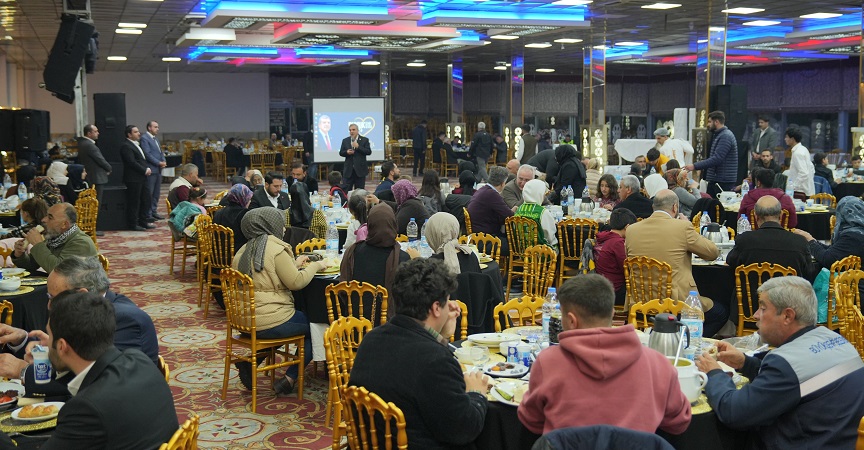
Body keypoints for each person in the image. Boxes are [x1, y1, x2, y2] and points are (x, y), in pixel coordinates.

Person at [695, 276, 864, 449]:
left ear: (787, 316)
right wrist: (745, 363)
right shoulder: (836, 340)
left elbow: (733, 413)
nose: (755, 315)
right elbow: (795, 383)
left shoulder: (787, 363)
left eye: (763, 308)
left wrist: (714, 373)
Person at [518, 274, 691, 435]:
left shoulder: (548, 362)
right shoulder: (658, 364)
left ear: (571, 321)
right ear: (613, 314)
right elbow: (679, 422)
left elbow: (531, 420)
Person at [349, 258, 489, 449]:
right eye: (447, 302)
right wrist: (476, 394)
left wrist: (441, 334)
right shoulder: (436, 360)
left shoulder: (372, 339)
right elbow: (464, 429)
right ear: (436, 308)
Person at [0, 256, 160, 397]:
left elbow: (92, 381)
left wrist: (23, 371)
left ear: (82, 294)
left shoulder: (124, 320)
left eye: (53, 298)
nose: (49, 306)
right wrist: (23, 340)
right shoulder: (90, 313)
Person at [35, 291, 177, 449]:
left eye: (50, 336)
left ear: (62, 346)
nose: (47, 344)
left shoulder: (85, 408)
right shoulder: (139, 359)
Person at [231, 207, 322, 395]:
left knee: (290, 324)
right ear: (269, 225)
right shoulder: (276, 249)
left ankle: (252, 361)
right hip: (269, 320)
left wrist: (294, 264)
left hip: (243, 321)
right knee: (317, 328)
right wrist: (316, 265)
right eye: (280, 224)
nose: (284, 228)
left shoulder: (243, 250)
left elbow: (266, 275)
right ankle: (290, 378)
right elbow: (296, 282)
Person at [625, 190, 726, 337]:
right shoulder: (682, 227)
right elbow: (712, 253)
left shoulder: (632, 230)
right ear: (675, 207)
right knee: (720, 312)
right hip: (675, 302)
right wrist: (690, 226)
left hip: (640, 301)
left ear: (653, 207)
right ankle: (685, 341)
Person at [727, 196, 818, 282]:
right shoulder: (799, 242)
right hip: (788, 293)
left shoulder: (744, 240)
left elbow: (730, 263)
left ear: (756, 216)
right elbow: (809, 272)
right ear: (781, 215)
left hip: (753, 293)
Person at [340, 203, 413, 303]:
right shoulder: (402, 258)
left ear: (369, 225)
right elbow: (407, 298)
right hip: (388, 312)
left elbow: (342, 289)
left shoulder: (352, 251)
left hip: (354, 312)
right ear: (394, 224)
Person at [11, 203, 97, 274]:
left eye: (50, 217)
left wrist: (38, 244)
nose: (43, 219)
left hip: (81, 288)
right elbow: (31, 265)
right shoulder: (54, 238)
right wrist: (19, 254)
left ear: (64, 224)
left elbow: (59, 271)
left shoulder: (81, 243)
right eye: (46, 215)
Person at [794, 196, 864, 269]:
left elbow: (828, 259)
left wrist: (810, 240)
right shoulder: (858, 230)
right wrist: (813, 241)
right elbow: (834, 250)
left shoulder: (852, 235)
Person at [685, 111, 739, 199]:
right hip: (717, 179)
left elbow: (717, 159)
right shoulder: (719, 135)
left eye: (710, 122)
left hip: (722, 181)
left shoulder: (725, 136)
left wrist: (695, 166)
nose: (708, 124)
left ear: (716, 122)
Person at [467, 166, 514, 250]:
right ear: (502, 183)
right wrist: (514, 210)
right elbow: (509, 216)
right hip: (485, 240)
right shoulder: (492, 194)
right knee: (517, 245)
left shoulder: (482, 190)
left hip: (476, 236)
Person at [119, 125, 154, 231]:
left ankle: (143, 221)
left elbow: (141, 160)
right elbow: (131, 162)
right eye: (135, 132)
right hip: (133, 178)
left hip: (142, 177)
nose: (139, 133)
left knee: (146, 199)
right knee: (134, 202)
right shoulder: (126, 146)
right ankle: (133, 224)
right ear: (129, 134)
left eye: (138, 131)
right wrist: (144, 170)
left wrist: (147, 168)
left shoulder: (136, 144)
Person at [515, 179, 557, 249]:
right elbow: (550, 236)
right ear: (539, 193)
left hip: (521, 250)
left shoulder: (519, 210)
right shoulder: (542, 212)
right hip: (541, 252)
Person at [76, 124, 111, 204]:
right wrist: (109, 168)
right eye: (95, 131)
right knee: (96, 202)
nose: (98, 133)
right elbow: (100, 159)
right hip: (96, 177)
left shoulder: (81, 143)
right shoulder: (89, 145)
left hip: (90, 176)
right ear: (89, 133)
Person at [213, 183, 253, 253]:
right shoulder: (243, 213)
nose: (250, 201)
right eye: (249, 199)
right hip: (237, 253)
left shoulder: (218, 212)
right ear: (243, 198)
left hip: (218, 253)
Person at [140, 121, 166, 220]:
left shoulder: (155, 139)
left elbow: (160, 152)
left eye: (157, 127)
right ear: (149, 128)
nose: (157, 129)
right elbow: (147, 154)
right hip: (151, 169)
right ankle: (148, 213)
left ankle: (154, 211)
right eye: (155, 127)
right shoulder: (145, 138)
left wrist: (163, 160)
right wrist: (158, 162)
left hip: (158, 169)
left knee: (156, 193)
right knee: (149, 193)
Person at [784, 127, 814, 200]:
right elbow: (811, 167)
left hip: (800, 191)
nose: (785, 139)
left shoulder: (798, 153)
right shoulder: (803, 149)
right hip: (805, 190)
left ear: (792, 139)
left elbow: (804, 173)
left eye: (787, 137)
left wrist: (793, 187)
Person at [340, 123, 371, 191]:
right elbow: (341, 152)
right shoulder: (345, 140)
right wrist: (347, 152)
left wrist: (358, 147)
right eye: (350, 130)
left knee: (359, 192)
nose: (351, 131)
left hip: (360, 171)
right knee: (346, 190)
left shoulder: (364, 140)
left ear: (357, 130)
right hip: (348, 171)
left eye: (353, 130)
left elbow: (368, 152)